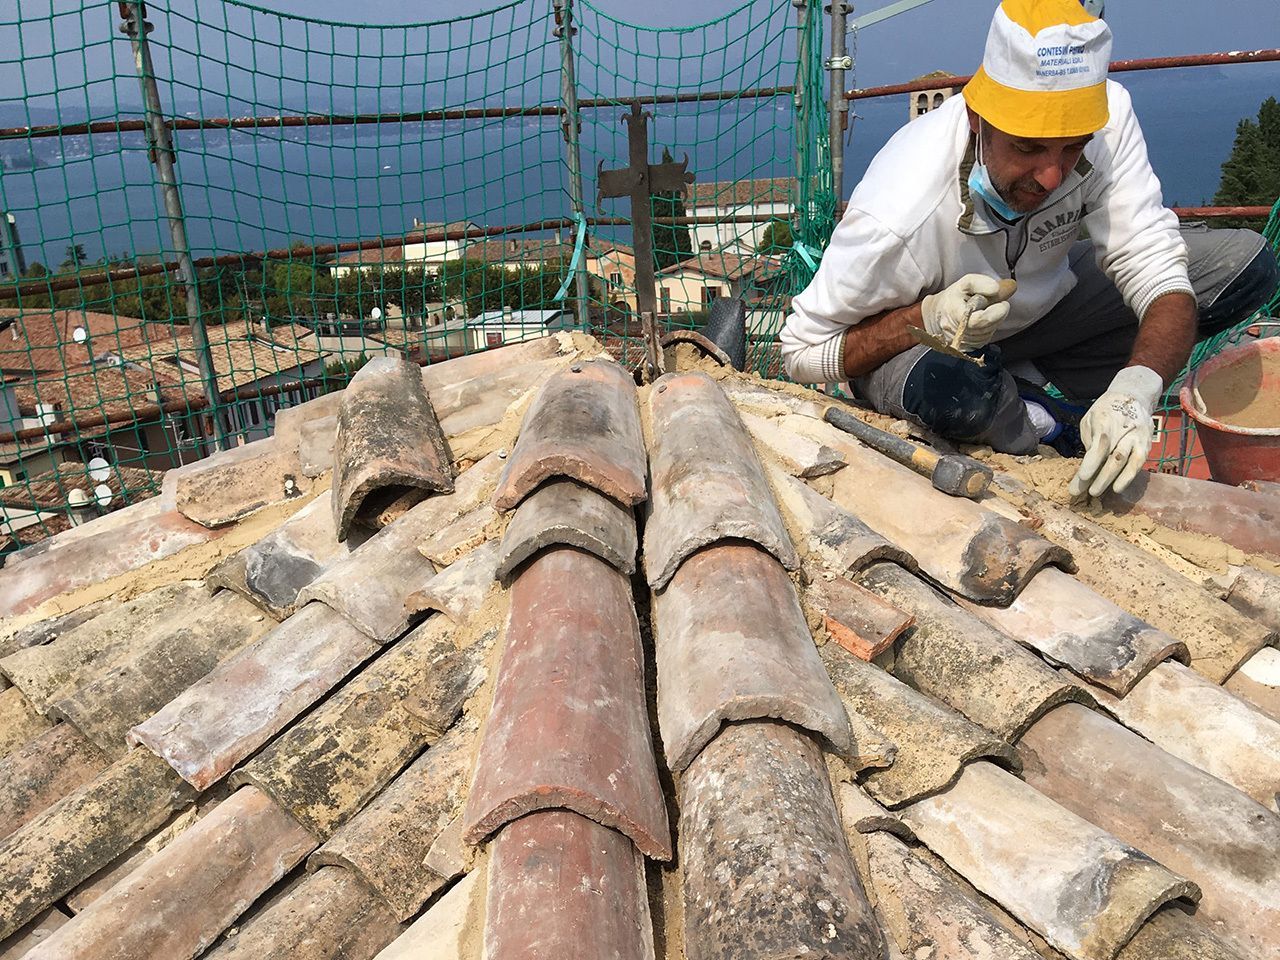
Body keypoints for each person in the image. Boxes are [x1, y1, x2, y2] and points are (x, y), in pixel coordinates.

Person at [779, 0, 1278, 497]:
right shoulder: (898, 210)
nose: (1052, 176)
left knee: (1241, 267)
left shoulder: (1108, 120)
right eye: (1028, 147)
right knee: (951, 391)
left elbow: (1152, 260)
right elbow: (800, 352)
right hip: (926, 348)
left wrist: (1139, 386)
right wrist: (925, 317)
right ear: (977, 119)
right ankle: (1044, 424)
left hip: (1042, 317)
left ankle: (1044, 388)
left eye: (1073, 146)